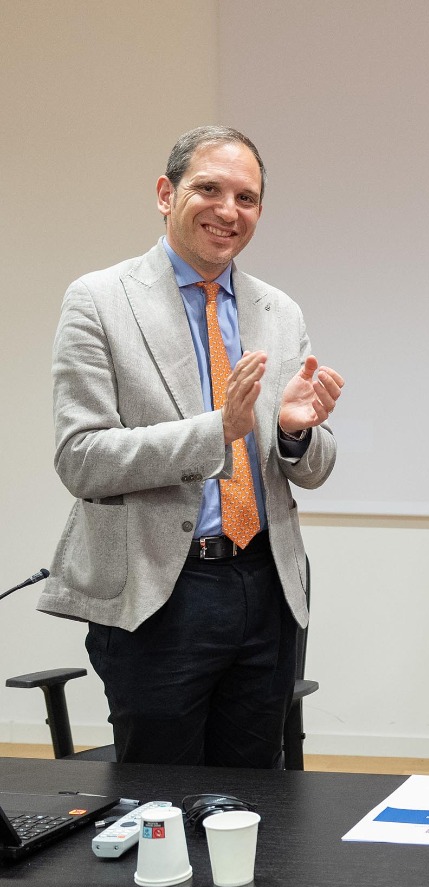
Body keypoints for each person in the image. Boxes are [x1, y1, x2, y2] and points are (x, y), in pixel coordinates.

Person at [38, 126, 343, 767]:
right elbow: (81, 459)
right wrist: (216, 431)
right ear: (164, 193)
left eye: (246, 198)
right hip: (161, 590)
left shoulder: (280, 311)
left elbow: (313, 468)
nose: (228, 210)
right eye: (209, 189)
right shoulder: (99, 300)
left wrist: (294, 433)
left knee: (253, 798)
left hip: (265, 585)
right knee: (160, 801)